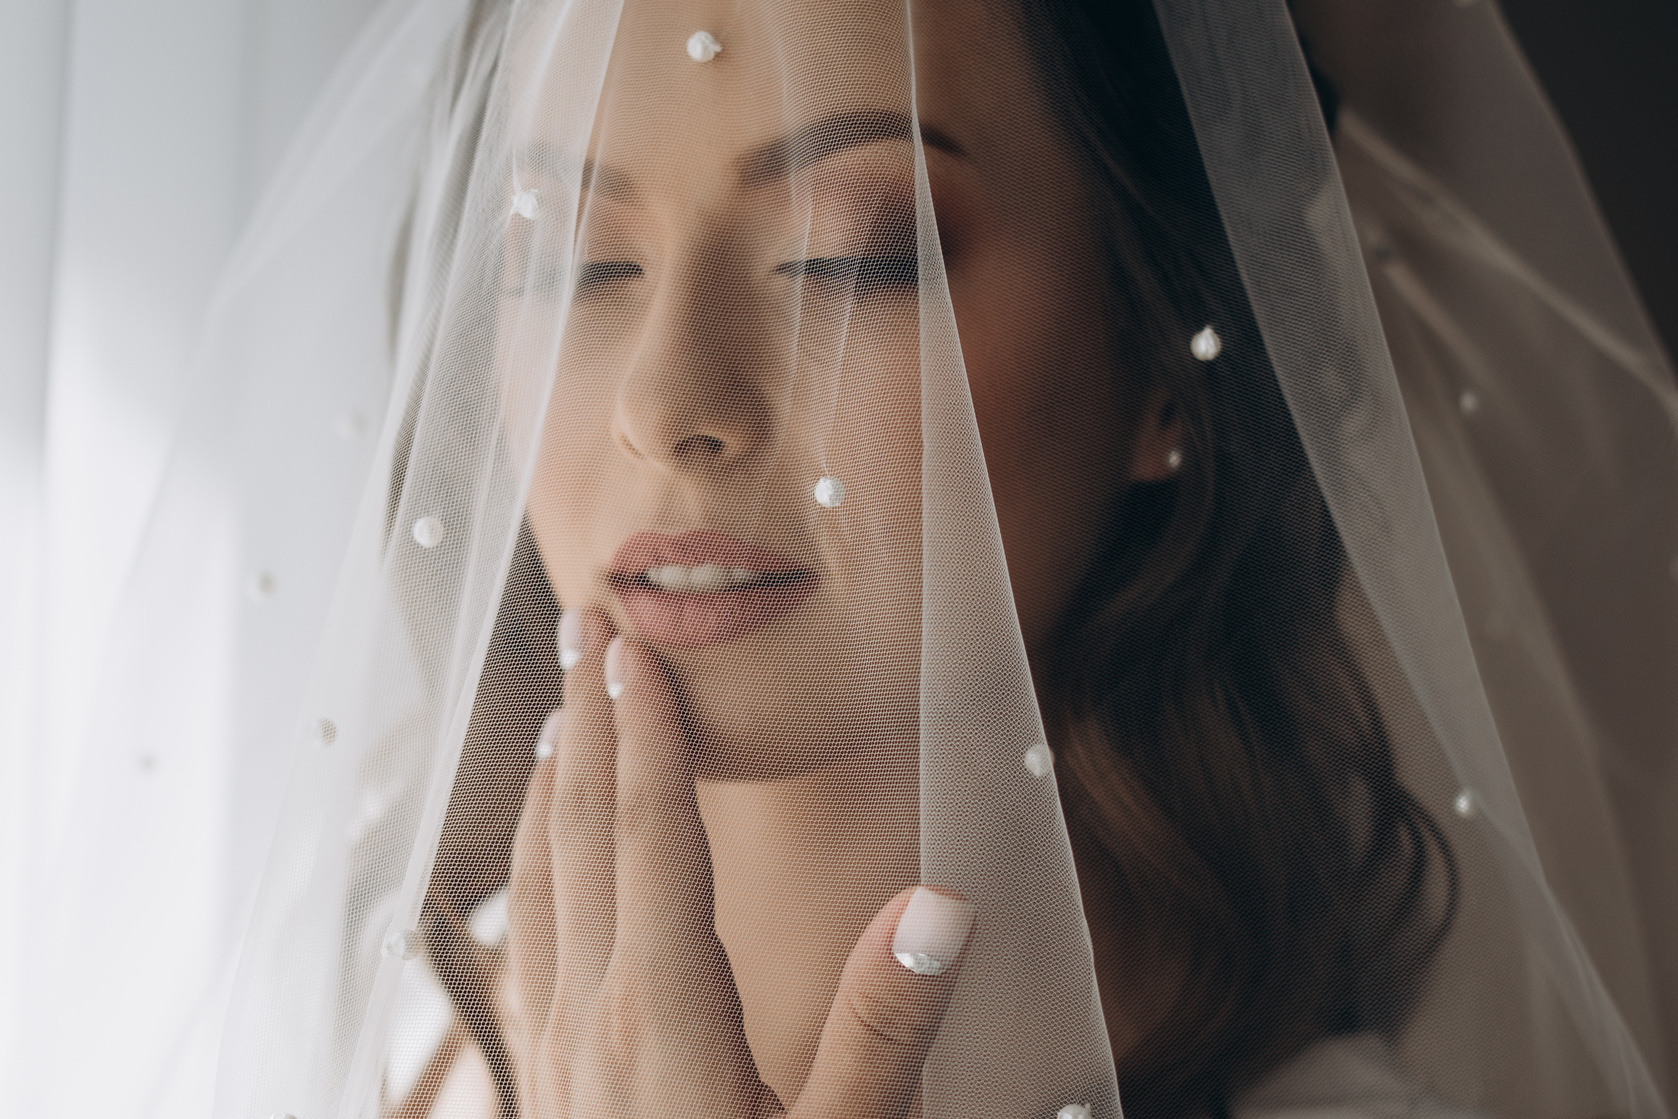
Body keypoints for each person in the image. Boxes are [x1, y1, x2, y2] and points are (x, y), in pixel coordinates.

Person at [202, 0, 1677, 1116]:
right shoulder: (369, 1046)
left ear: (1166, 353)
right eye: (569, 258)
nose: (668, 405)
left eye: (851, 254)